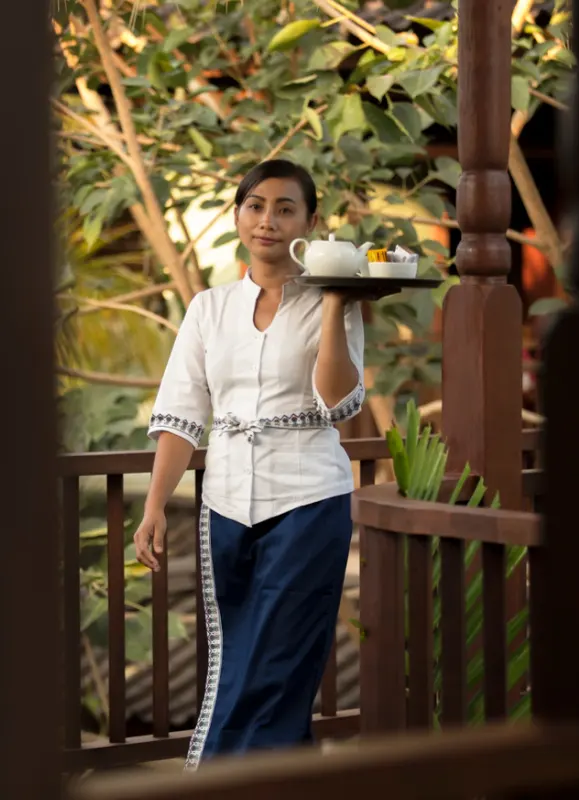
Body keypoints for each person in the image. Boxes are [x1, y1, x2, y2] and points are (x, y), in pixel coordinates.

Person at [133, 158, 364, 769]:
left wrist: (337, 305)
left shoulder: (333, 301)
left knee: (281, 659)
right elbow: (182, 413)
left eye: (285, 208)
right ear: (238, 214)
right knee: (236, 658)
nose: (268, 220)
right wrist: (154, 506)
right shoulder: (208, 309)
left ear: (309, 223)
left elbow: (337, 403)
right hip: (225, 504)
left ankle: (218, 782)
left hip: (309, 501)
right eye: (256, 205)